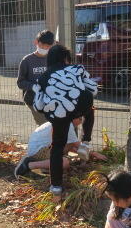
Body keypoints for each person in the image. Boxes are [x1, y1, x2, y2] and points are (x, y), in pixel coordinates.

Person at [33, 44, 98, 199]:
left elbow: (38, 105)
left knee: (57, 147)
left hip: (59, 113)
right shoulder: (77, 68)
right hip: (80, 105)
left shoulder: (42, 77)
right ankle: (85, 143)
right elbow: (93, 88)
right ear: (65, 58)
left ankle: (56, 188)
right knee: (90, 109)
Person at [13, 117, 106, 179]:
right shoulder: (68, 125)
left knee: (69, 146)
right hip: (39, 151)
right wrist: (95, 153)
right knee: (65, 163)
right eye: (80, 119)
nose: (80, 122)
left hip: (39, 148)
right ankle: (29, 165)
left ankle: (44, 165)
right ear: (75, 117)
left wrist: (85, 156)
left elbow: (72, 146)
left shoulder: (62, 119)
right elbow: (80, 146)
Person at [17, 29, 53, 125]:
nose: (45, 48)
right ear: (36, 42)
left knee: (53, 125)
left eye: (48, 46)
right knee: (44, 125)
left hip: (50, 98)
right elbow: (20, 82)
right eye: (42, 45)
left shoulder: (52, 59)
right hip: (33, 99)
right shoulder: (27, 61)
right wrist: (33, 86)